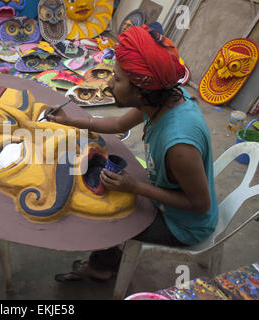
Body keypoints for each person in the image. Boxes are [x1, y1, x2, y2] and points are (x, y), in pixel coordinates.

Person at [47, 25, 219, 282]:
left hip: (183, 225)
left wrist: (135, 187)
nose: (108, 84)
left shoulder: (179, 146)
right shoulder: (162, 98)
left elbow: (199, 204)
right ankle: (107, 259)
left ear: (140, 89)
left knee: (98, 210)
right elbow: (118, 125)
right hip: (166, 197)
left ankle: (102, 267)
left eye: (117, 79)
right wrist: (70, 120)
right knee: (100, 182)